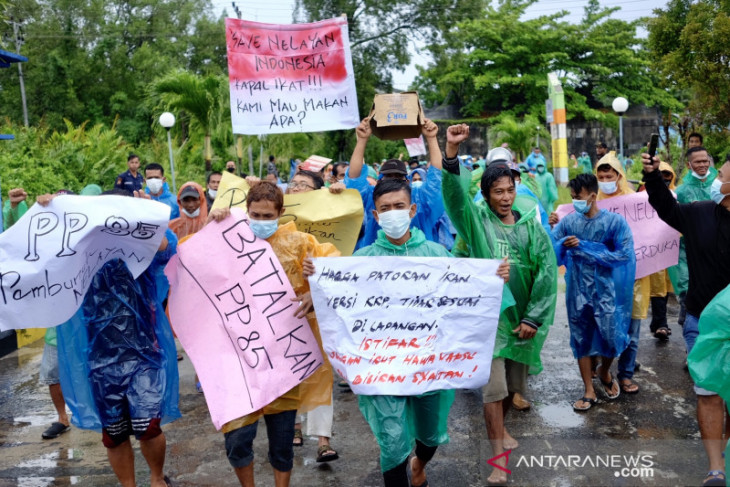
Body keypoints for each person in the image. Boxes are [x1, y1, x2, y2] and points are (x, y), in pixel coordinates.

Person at [351, 177, 509, 487]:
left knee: (430, 435)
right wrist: (316, 282)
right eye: (385, 208)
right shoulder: (361, 261)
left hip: (429, 364)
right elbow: (337, 299)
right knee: (392, 440)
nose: (393, 213)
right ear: (375, 216)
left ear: (411, 210)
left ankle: (420, 462)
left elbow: (465, 292)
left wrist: (493, 277)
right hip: (382, 366)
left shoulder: (437, 253)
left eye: (399, 206)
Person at [441, 124, 557, 485]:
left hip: (522, 322)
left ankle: (501, 428)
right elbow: (456, 200)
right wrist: (449, 153)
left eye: (510, 190)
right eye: (497, 191)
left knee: (510, 389)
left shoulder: (531, 228)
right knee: (493, 390)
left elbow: (547, 276)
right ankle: (498, 459)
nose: (506, 197)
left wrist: (534, 319)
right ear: (486, 194)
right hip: (489, 322)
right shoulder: (476, 224)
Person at [44, 189, 180, 487]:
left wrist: (150, 217)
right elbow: (44, 254)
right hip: (100, 356)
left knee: (148, 427)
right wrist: (49, 212)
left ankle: (157, 478)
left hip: (144, 351)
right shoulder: (83, 251)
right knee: (114, 432)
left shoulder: (141, 248)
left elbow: (165, 249)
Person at [210, 181, 339, 487]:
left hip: (285, 363)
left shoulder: (300, 243)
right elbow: (193, 260)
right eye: (255, 215)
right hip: (241, 361)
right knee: (237, 440)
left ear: (281, 212)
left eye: (268, 216)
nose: (262, 222)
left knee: (282, 443)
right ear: (246, 212)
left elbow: (336, 266)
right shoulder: (228, 240)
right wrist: (211, 224)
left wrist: (316, 285)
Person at [642, 148, 730, 487]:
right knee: (708, 392)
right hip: (700, 320)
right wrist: (651, 176)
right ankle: (715, 469)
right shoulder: (699, 213)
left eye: (720, 176)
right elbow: (665, 207)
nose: (713, 179)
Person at [552, 174, 635, 411]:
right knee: (581, 338)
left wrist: (586, 248)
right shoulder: (569, 222)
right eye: (573, 197)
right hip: (577, 289)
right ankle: (588, 389)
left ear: (592, 196)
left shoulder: (614, 223)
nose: (576, 201)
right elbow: (551, 248)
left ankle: (605, 371)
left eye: (578, 197)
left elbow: (624, 255)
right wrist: (553, 233)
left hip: (604, 290)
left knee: (610, 336)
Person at [281, 168, 342, 461]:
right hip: (278, 313)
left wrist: (318, 278)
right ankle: (291, 426)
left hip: (317, 312)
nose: (296, 189)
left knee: (320, 372)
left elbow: (338, 265)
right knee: (287, 371)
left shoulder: (326, 223)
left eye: (304, 185)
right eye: (293, 184)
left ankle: (322, 439)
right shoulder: (274, 221)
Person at [3, 188, 72, 440]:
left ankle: (99, 417)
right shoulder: (44, 240)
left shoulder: (85, 236)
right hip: (56, 323)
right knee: (53, 373)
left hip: (85, 323)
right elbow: (17, 238)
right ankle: (62, 418)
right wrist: (14, 208)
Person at [345, 118, 445, 249]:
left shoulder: (420, 197)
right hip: (377, 264)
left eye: (398, 177)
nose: (393, 182)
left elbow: (436, 177)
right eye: (388, 177)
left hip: (419, 264)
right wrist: (362, 140)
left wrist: (431, 138)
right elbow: (355, 180)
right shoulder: (371, 197)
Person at [595, 151, 647, 395]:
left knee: (632, 330)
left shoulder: (636, 201)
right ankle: (602, 369)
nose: (605, 179)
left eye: (610, 175)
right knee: (601, 326)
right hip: (601, 278)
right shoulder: (591, 202)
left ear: (619, 175)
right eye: (601, 175)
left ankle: (625, 375)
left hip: (633, 278)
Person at [670, 147, 718, 328]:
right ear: (689, 165)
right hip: (688, 254)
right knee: (690, 303)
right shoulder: (681, 193)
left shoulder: (720, 187)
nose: (703, 165)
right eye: (698, 162)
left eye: (705, 161)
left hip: (716, 253)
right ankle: (692, 348)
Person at [647, 163, 677, 340]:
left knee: (665, 287)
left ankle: (659, 322)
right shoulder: (642, 196)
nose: (665, 179)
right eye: (661, 175)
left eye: (668, 175)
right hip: (652, 250)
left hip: (670, 249)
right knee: (657, 287)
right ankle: (660, 323)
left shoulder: (676, 195)